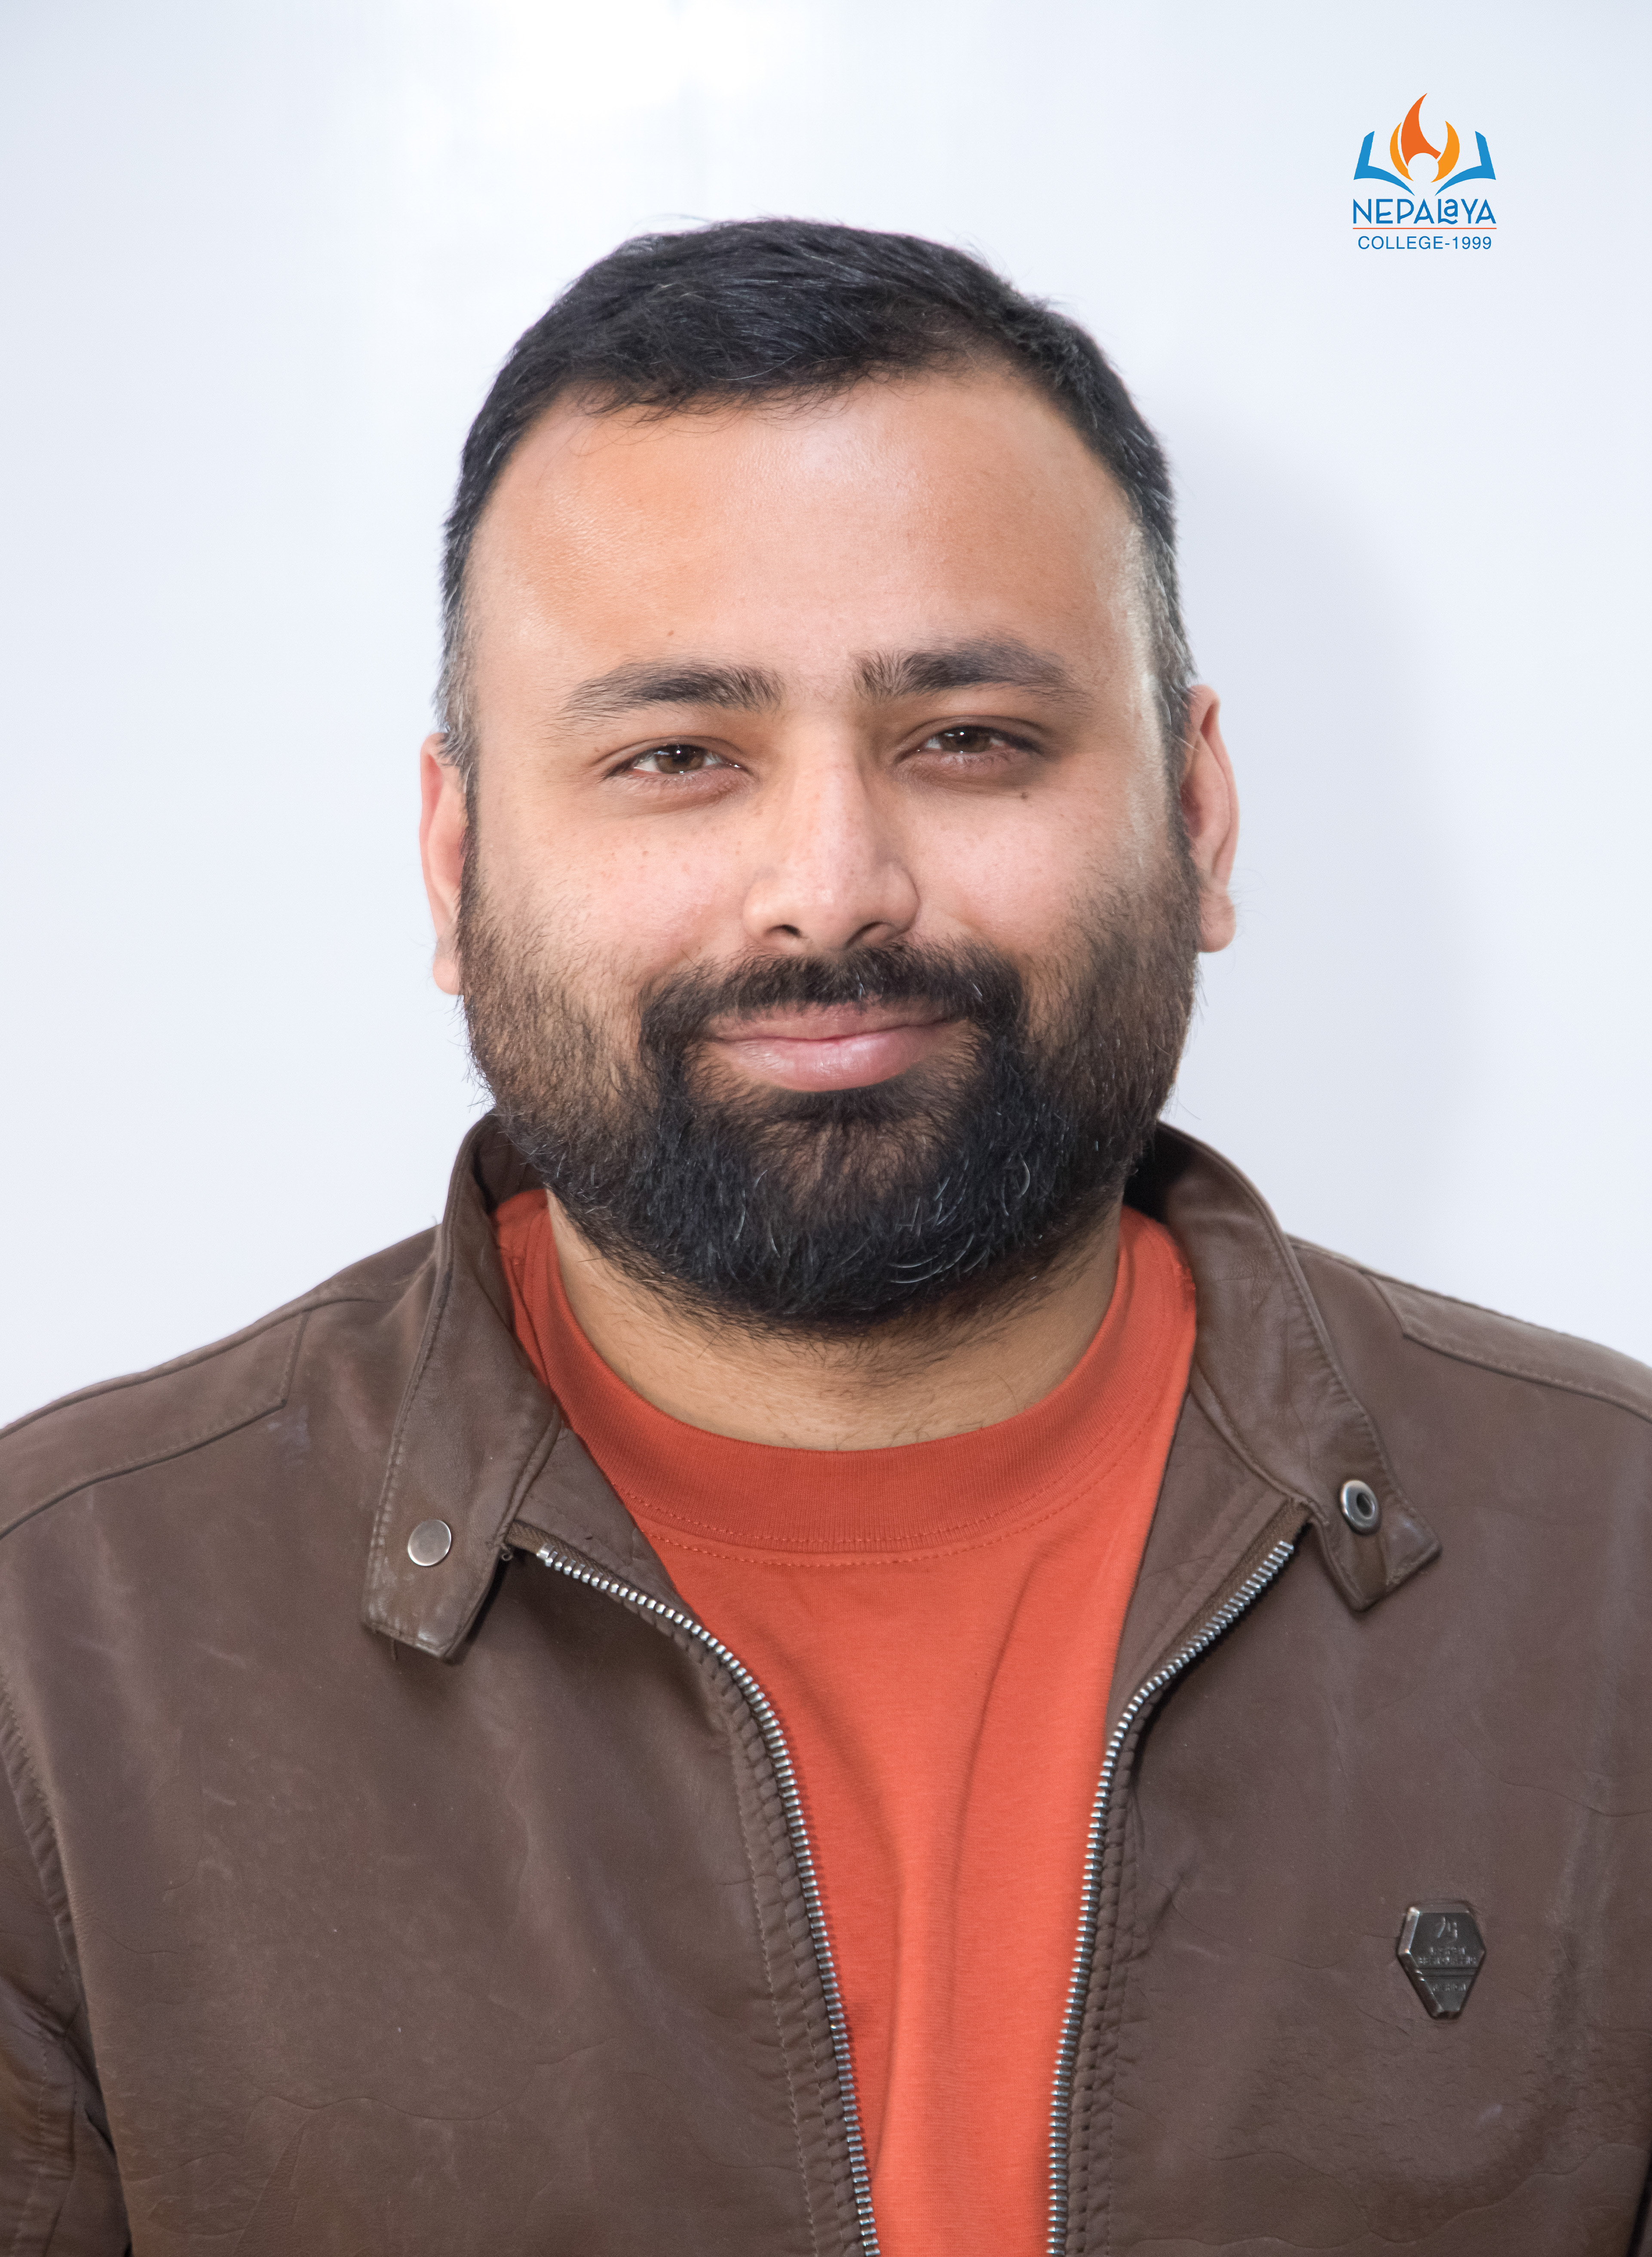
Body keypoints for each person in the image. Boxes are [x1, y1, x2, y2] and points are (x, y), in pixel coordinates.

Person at [2, 219, 1649, 2257]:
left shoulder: (1615, 1575)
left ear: (1196, 812)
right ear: (456, 860)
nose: (831, 884)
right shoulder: (53, 1654)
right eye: (675, 756)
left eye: (967, 734)